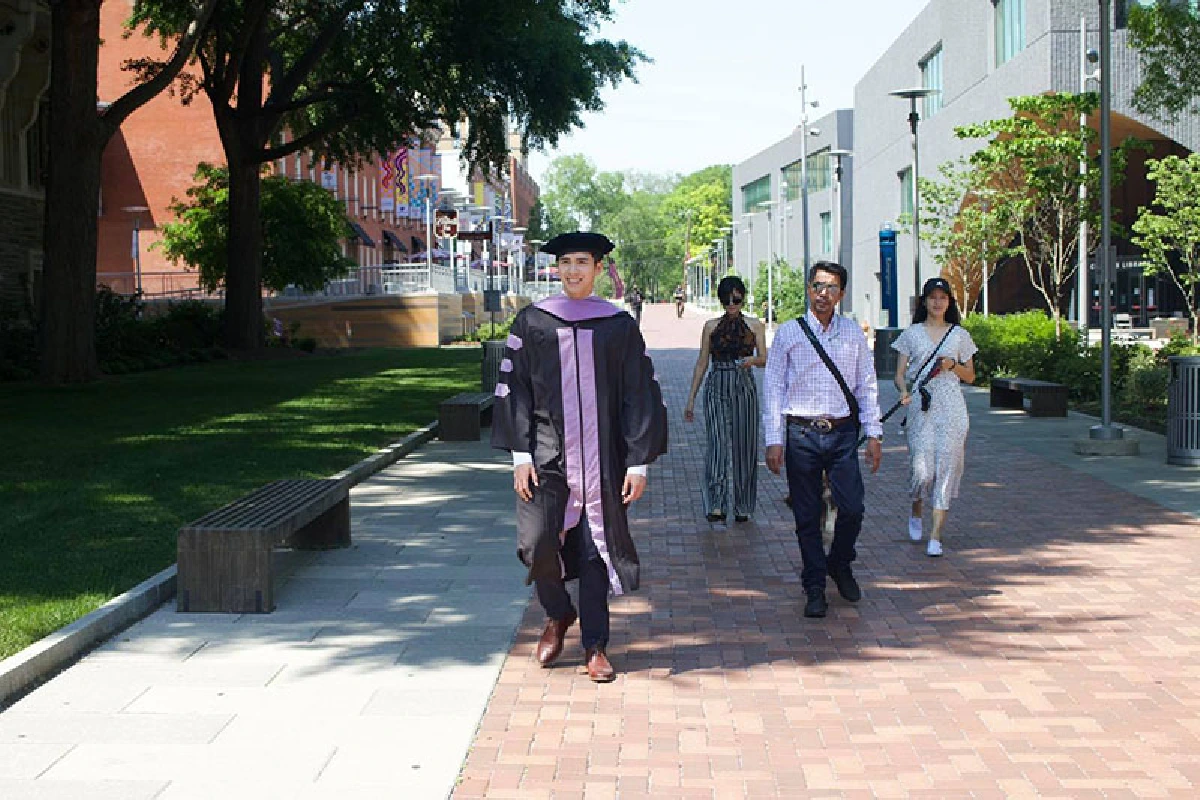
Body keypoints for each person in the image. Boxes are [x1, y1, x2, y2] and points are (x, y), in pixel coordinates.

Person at [491, 231, 669, 682]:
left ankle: (596, 646)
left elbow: (638, 393)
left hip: (603, 460)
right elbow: (515, 390)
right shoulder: (533, 322)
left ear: (597, 269)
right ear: (557, 268)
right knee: (535, 543)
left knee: (594, 551)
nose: (573, 270)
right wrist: (519, 454)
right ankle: (557, 612)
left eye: (582, 263)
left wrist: (637, 461)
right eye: (566, 262)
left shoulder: (618, 325)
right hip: (545, 456)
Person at [763, 261, 883, 618]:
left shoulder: (852, 333)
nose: (823, 294)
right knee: (807, 514)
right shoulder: (789, 333)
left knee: (852, 508)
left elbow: (867, 384)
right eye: (817, 286)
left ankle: (840, 562)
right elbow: (773, 389)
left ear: (841, 294)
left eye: (831, 288)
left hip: (843, 433)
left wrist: (873, 433)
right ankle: (814, 586)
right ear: (809, 289)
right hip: (801, 433)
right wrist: (773, 440)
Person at [892, 276, 977, 557]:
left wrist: (953, 365)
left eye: (943, 297)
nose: (938, 302)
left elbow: (971, 376)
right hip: (921, 406)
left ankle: (936, 535)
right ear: (924, 301)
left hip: (952, 406)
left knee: (947, 467)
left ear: (949, 302)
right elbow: (899, 374)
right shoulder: (912, 334)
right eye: (932, 297)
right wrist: (904, 391)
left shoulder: (960, 335)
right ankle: (916, 507)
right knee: (923, 470)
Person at [683, 276, 767, 523]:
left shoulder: (755, 326)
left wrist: (751, 361)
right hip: (716, 382)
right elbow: (701, 363)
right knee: (717, 446)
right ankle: (716, 504)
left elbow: (764, 358)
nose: (732, 303)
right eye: (727, 299)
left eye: (736, 298)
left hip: (744, 384)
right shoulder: (711, 326)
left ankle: (743, 506)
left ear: (743, 298)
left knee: (745, 446)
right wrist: (690, 400)